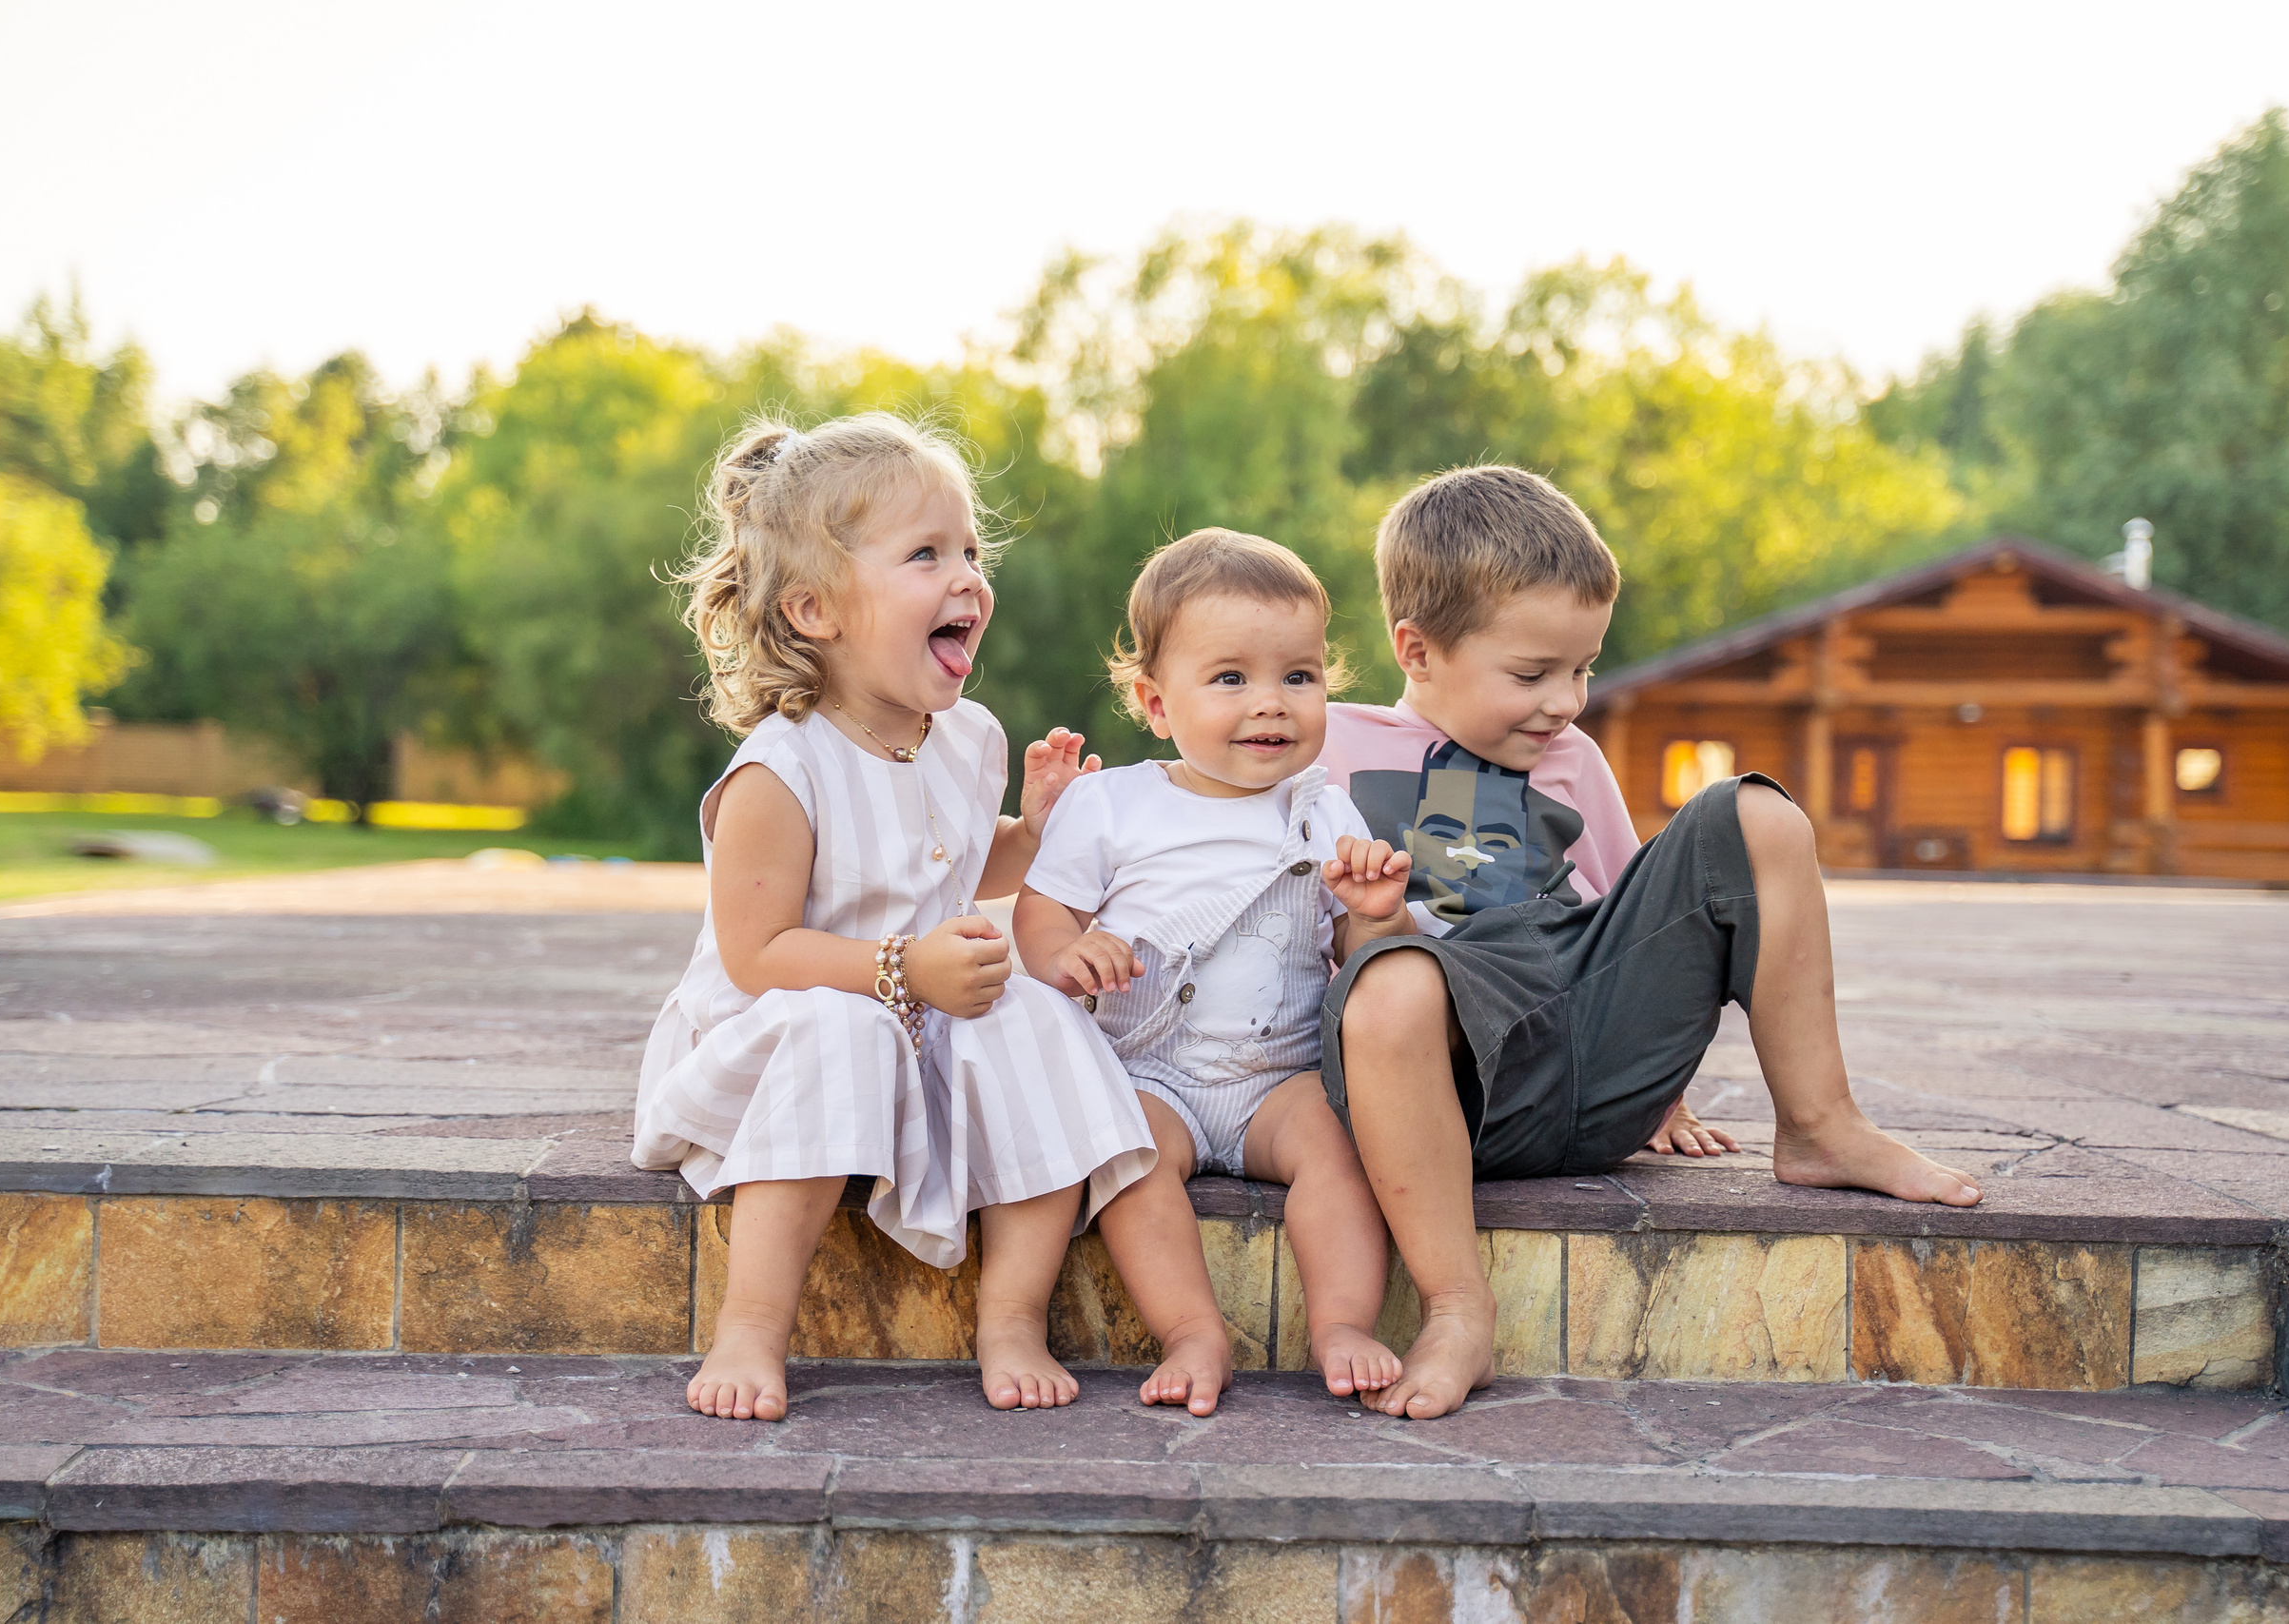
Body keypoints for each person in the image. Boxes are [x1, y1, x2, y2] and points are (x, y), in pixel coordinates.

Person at [1317, 465, 1985, 1420]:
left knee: (1756, 813)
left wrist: (1663, 1090)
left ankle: (1820, 1124)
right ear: (1416, 650)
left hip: (1585, 1066)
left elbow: (1625, 921)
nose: (1567, 701)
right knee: (1394, 980)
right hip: (1443, 1096)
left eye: (1583, 669)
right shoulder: (1328, 749)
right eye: (1532, 674)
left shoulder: (1570, 760)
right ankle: (1458, 1307)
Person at [634, 413, 1154, 1421]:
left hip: (914, 1012)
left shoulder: (966, 736)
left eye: (971, 552)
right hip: (778, 1031)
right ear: (815, 609)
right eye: (926, 555)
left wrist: (1030, 832)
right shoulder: (780, 769)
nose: (967, 579)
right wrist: (902, 971)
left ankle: (1012, 1316)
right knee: (844, 1029)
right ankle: (751, 1328)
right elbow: (756, 953)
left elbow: (948, 854)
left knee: (1036, 1014)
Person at [1013, 530, 1417, 1418]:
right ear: (1157, 703)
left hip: (1281, 1076)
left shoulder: (1325, 809)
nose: (1270, 702)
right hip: (1150, 1072)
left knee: (1344, 1151)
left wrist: (1376, 911)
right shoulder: (1112, 802)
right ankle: (1192, 1330)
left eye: (1299, 675)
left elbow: (1366, 960)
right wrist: (1065, 954)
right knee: (1128, 1161)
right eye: (1230, 677)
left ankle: (1341, 1324)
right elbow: (1042, 910)